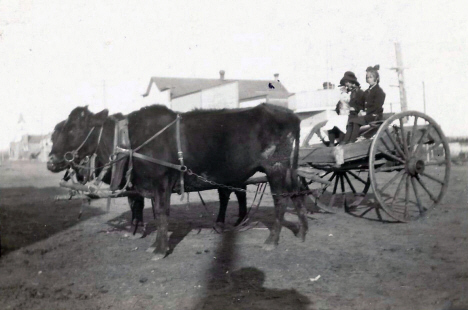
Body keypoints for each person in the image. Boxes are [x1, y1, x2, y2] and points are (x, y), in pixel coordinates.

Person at [341, 65, 385, 144]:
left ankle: (352, 141)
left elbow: (377, 106)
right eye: (367, 77)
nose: (368, 79)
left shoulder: (379, 92)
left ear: (376, 79)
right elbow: (361, 104)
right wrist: (360, 109)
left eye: (371, 77)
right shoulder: (367, 92)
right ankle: (345, 141)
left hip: (375, 116)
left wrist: (366, 112)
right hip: (367, 115)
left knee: (356, 121)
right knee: (351, 121)